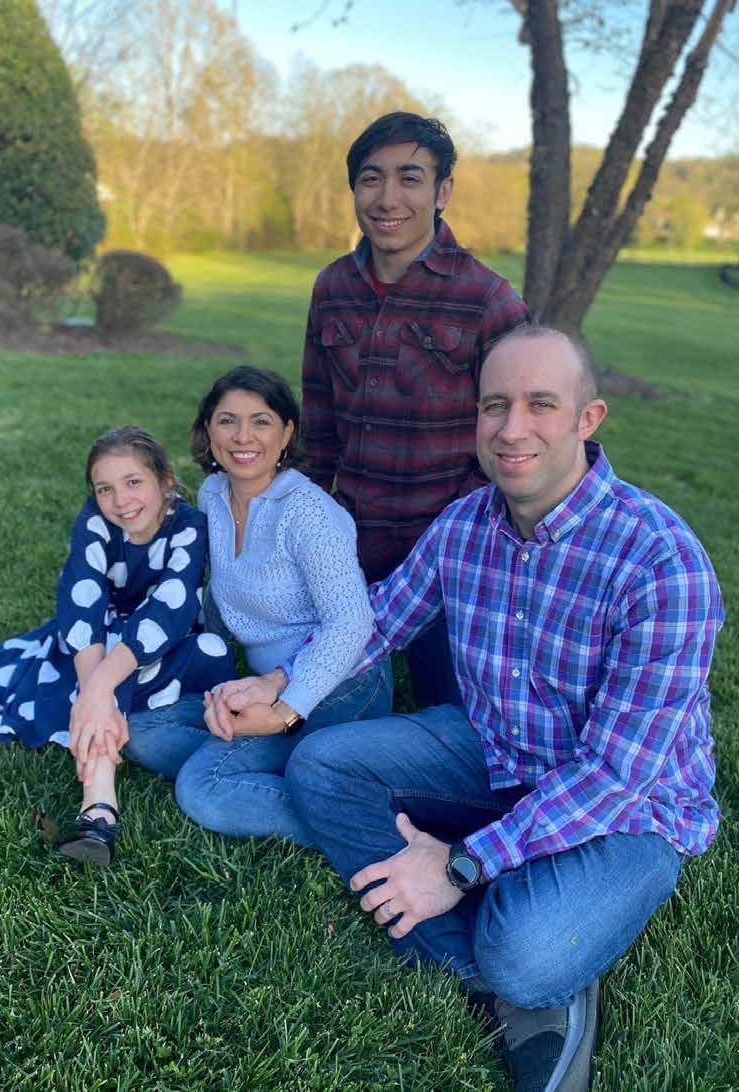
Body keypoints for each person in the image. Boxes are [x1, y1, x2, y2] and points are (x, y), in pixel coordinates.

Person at [284, 328, 724, 1092]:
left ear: (588, 418)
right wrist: (281, 686)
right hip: (497, 754)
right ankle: (491, 968)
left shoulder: (663, 561)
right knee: (321, 766)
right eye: (495, 405)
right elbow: (379, 623)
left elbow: (615, 775)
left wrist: (460, 865)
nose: (512, 428)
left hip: (632, 811)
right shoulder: (465, 524)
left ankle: (525, 959)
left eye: (540, 404)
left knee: (525, 952)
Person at [301, 111, 532, 707]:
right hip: (350, 545)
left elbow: (520, 435)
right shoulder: (332, 288)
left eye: (410, 178)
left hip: (449, 557)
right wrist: (302, 523)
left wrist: (470, 527)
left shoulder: (486, 298)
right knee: (321, 710)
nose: (388, 198)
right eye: (371, 178)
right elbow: (318, 422)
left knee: (455, 719)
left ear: (442, 191)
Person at [124, 366, 392, 846]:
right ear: (208, 431)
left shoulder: (308, 512)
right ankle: (294, 764)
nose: (243, 436)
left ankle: (362, 819)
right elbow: (215, 595)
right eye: (227, 421)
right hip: (260, 686)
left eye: (261, 421)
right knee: (141, 731)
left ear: (286, 433)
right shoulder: (214, 494)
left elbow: (352, 623)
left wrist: (286, 708)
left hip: (341, 682)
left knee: (203, 788)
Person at [0, 426, 234, 865]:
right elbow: (82, 602)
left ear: (165, 481)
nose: (121, 500)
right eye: (105, 489)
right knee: (88, 654)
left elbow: (169, 610)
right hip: (99, 642)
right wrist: (96, 693)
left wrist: (97, 690)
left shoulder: (189, 526)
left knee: (164, 655)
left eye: (133, 482)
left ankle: (84, 751)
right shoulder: (95, 521)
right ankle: (99, 809)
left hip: (169, 646)